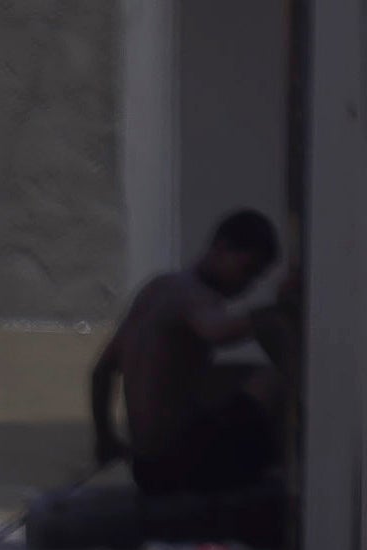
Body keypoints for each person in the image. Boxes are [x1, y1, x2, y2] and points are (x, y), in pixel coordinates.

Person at [91, 209, 285, 498]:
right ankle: (278, 474)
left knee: (235, 374)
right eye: (246, 271)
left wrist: (105, 439)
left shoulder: (157, 289)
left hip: (145, 466)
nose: (247, 286)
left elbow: (102, 370)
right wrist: (279, 314)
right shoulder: (194, 296)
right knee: (272, 378)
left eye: (255, 278)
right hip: (176, 465)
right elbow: (216, 330)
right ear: (221, 248)